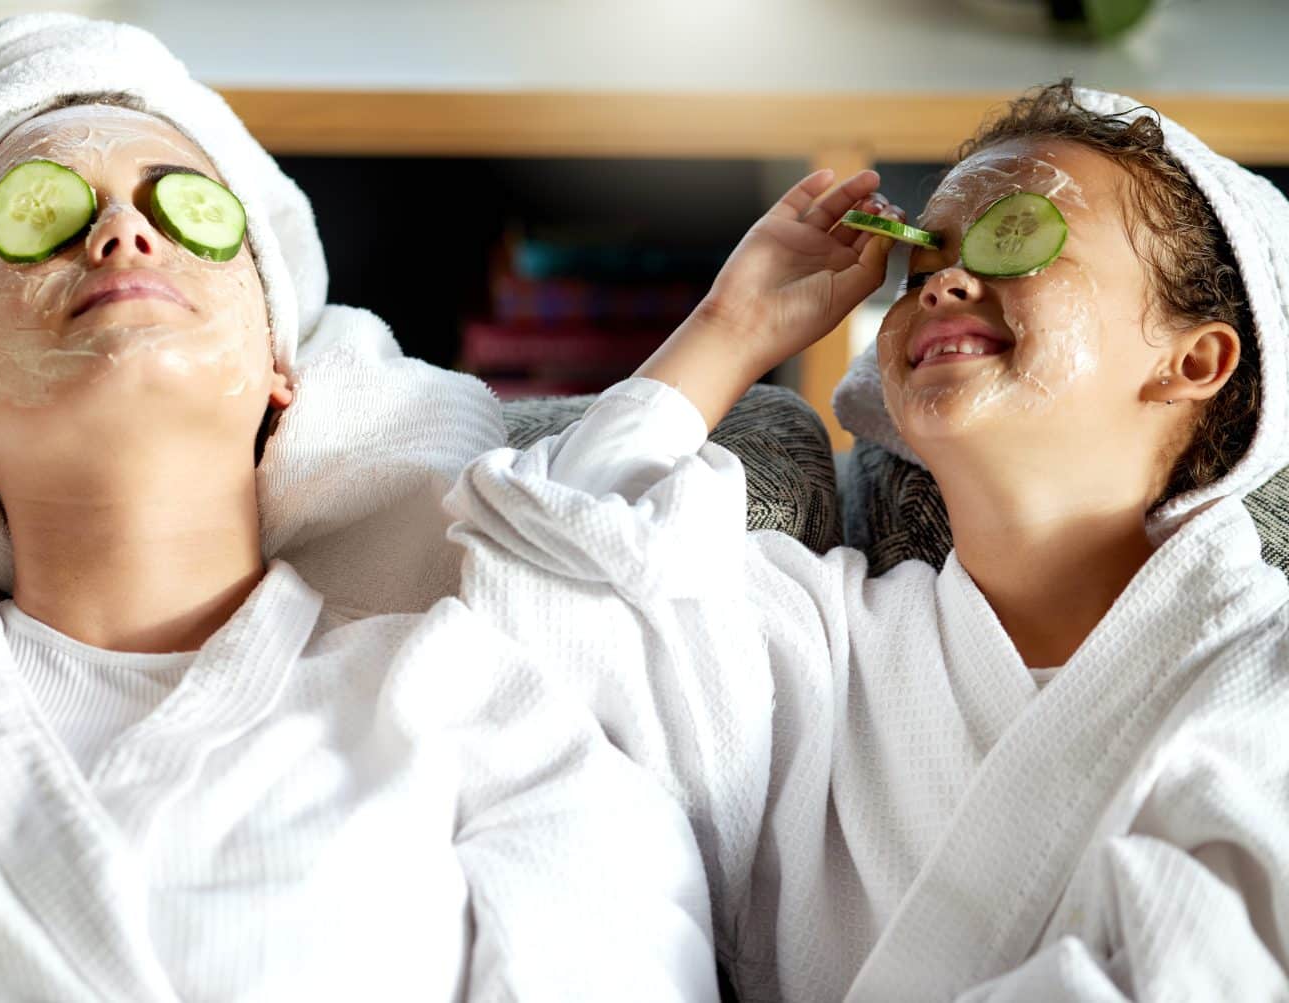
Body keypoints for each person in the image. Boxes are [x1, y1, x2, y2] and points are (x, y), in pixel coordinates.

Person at [0, 14, 718, 1001]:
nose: (122, 232)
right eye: (41, 213)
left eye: (181, 207)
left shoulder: (470, 705)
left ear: (277, 364)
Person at [448, 81, 1289, 999]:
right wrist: (730, 328)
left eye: (1017, 239)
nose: (943, 284)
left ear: (1192, 360)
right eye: (921, 268)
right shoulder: (818, 641)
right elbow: (544, 606)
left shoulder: (1262, 680)